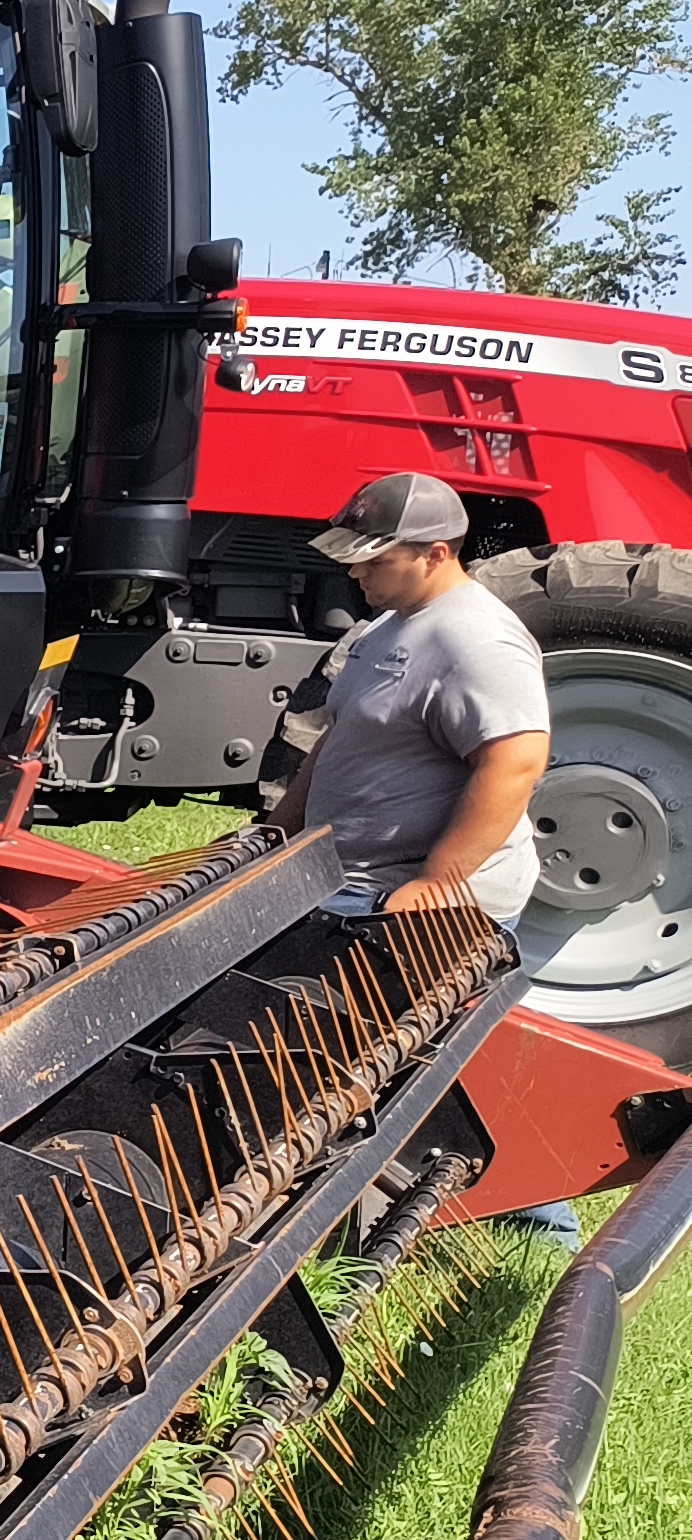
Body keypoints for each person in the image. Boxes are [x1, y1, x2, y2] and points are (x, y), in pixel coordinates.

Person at [272, 470, 577, 1239]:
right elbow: (340, 738)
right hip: (359, 883)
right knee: (391, 1056)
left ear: (436, 553)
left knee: (415, 1062)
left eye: (374, 559)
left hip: (428, 897)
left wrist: (439, 880)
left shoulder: (478, 639)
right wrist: (282, 829)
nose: (355, 571)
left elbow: (514, 761)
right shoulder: (387, 628)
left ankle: (539, 1219)